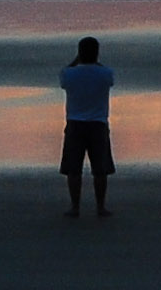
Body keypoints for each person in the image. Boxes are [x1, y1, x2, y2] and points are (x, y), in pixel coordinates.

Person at [58, 36, 116, 217]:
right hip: (98, 124)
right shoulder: (105, 73)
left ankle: (75, 207)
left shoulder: (69, 74)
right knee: (100, 169)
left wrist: (77, 60)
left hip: (75, 123)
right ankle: (100, 207)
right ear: (97, 53)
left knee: (73, 169)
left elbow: (65, 74)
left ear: (79, 52)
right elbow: (108, 77)